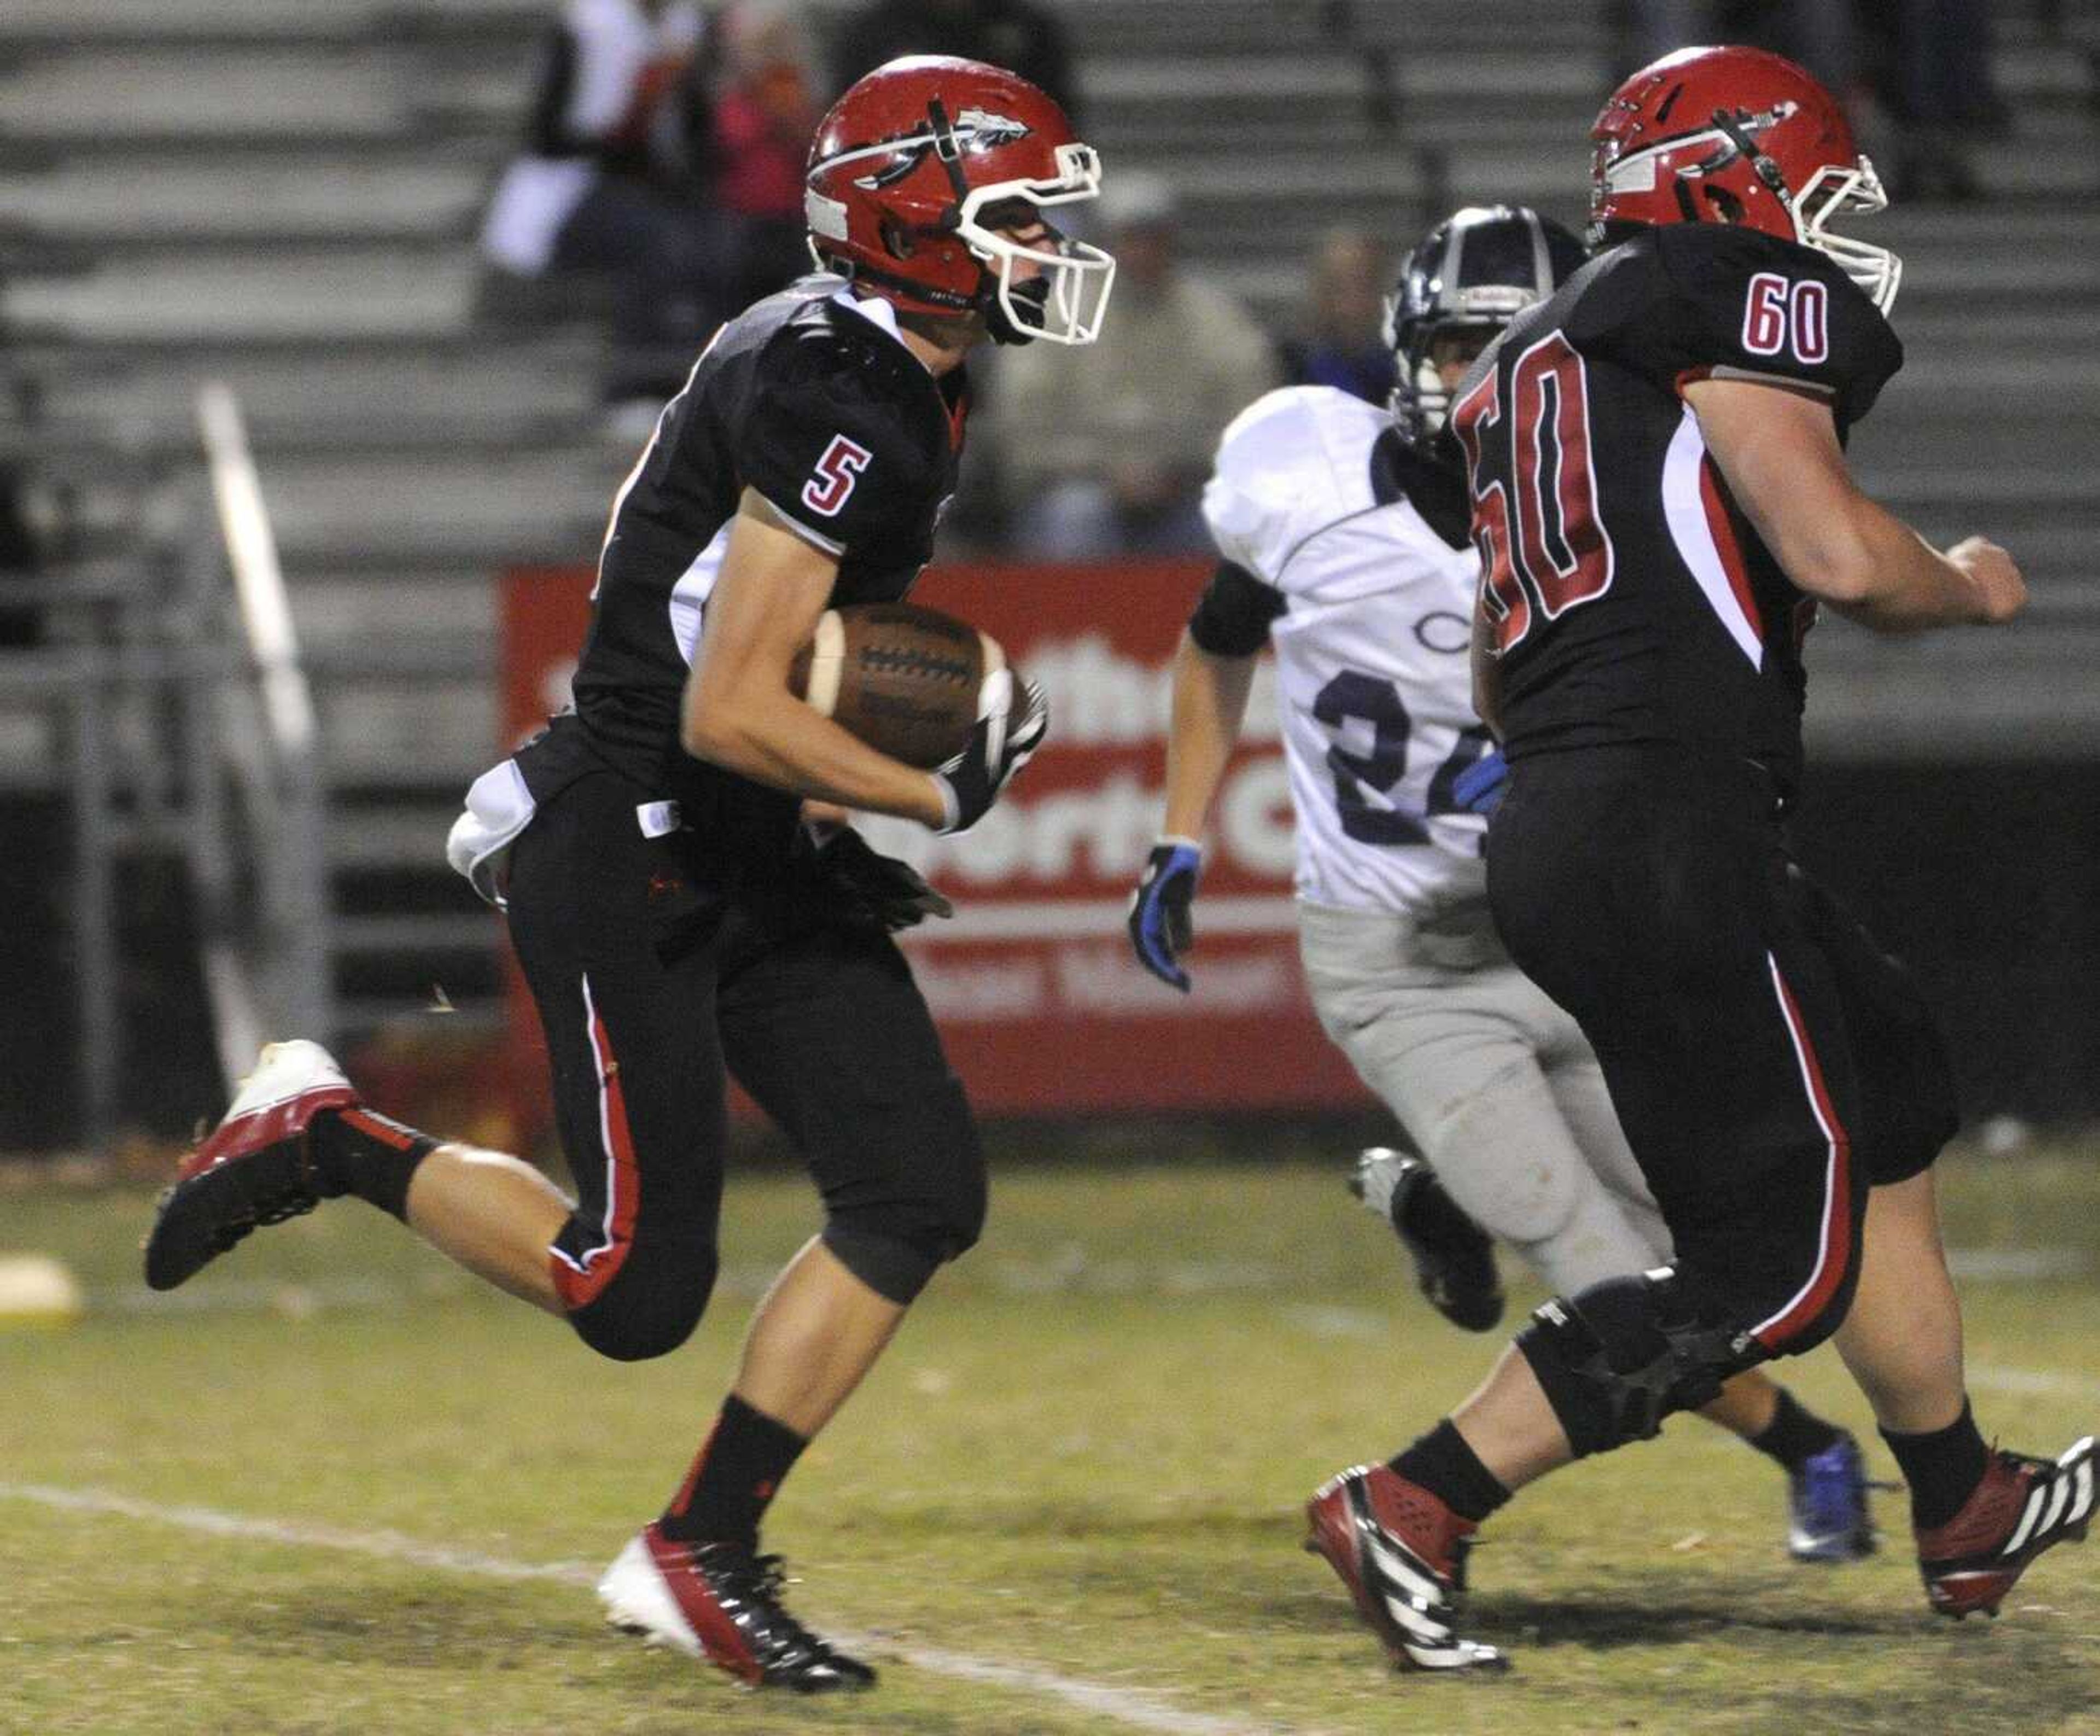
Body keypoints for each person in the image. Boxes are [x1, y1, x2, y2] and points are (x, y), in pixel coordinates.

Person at [144, 55, 1114, 1694]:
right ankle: (324, 1133)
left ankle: (699, 1547)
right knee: (628, 1283)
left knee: (916, 1187)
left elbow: (759, 663)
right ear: (911, 221)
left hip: (732, 831)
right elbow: (733, 704)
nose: (1039, 250)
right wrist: (922, 791)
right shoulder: (844, 387)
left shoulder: (889, 361)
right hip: (633, 830)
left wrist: (834, 818)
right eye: (1014, 216)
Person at [1299, 46, 2092, 1673]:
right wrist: (1964, 583)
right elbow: (1828, 548)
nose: (1818, 226)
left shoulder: (1528, 356)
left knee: (1886, 1087)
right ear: (1729, 176)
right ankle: (1413, 1497)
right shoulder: (1706, 281)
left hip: (1588, 805)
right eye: (1802, 186)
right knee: (1769, 1263)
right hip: (1663, 811)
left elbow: (1494, 659)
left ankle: (1960, 1500)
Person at [1128, 202, 1877, 1571]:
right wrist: (1179, 832)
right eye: (1462, 342)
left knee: (1688, 1233)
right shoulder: (1304, 472)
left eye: (1513, 343)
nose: (1483, 376)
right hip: (1404, 956)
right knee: (1596, 1261)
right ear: (1407, 347)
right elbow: (1213, 641)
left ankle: (1435, 1198)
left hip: (1569, 938)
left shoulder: (1644, 495)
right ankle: (1803, 1447)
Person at [989, 172, 1280, 558]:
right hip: (1078, 487)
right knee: (1076, 518)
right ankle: (1072, 621)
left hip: (1188, 487)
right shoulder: (1053, 315)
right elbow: (1022, 429)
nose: (1142, 251)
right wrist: (1106, 471)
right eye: (1130, 238)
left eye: (1153, 238)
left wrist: (1180, 470)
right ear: (1103, 243)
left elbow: (1253, 420)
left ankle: (1210, 621)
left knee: (1233, 524)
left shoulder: (1216, 317)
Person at [478, 0, 725, 401]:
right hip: (570, 185)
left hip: (648, 180)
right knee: (651, 240)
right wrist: (613, 144)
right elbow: (548, 133)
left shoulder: (685, 28)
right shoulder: (585, 27)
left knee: (713, 235)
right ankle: (635, 386)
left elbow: (692, 126)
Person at [829, 0, 1078, 121]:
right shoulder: (875, 32)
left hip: (1016, 172)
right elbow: (849, 116)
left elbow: (1056, 112)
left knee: (1062, 217)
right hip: (905, 173)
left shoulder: (1026, 28)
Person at [1280, 226, 1397, 405]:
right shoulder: (1284, 371)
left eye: (1364, 287)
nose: (1350, 307)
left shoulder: (1401, 377)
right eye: (1337, 288)